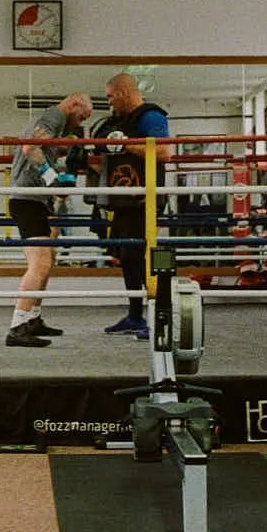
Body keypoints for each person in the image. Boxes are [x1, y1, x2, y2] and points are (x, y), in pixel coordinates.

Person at [5, 92, 93, 347]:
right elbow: (31, 147)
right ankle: (17, 326)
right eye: (82, 116)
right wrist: (51, 176)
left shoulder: (57, 125)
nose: (79, 122)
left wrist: (67, 148)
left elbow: (44, 146)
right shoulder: (53, 116)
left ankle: (32, 318)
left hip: (38, 200)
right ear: (73, 104)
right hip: (27, 199)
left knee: (48, 260)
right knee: (40, 263)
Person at [92, 72, 170, 338]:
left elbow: (163, 152)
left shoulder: (151, 117)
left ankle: (157, 317)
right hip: (123, 198)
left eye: (111, 96)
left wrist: (124, 144)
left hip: (144, 199)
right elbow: (102, 144)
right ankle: (136, 316)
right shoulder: (118, 120)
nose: (110, 102)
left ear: (124, 93)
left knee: (144, 256)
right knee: (126, 257)